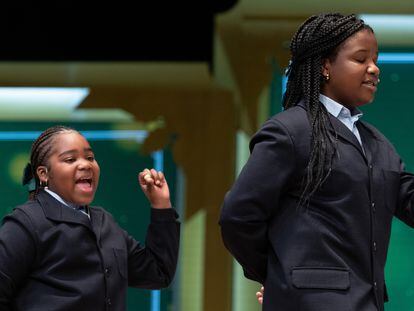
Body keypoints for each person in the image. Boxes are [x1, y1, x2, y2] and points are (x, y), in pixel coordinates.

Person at [219, 13, 414, 311]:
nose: (374, 69)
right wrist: (278, 275)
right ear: (325, 66)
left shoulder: (377, 143)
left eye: (376, 60)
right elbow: (237, 216)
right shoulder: (290, 130)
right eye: (361, 59)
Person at [0, 125, 180, 311]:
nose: (85, 164)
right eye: (70, 159)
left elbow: (158, 274)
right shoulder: (26, 223)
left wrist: (161, 205)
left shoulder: (105, 222)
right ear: (44, 174)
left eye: (90, 158)